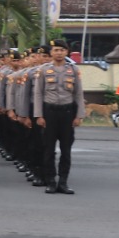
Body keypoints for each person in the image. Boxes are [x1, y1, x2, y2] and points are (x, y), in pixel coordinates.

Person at [32, 39, 86, 194]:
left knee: (66, 150)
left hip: (67, 113)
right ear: (51, 52)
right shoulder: (43, 70)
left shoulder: (73, 70)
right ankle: (50, 181)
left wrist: (79, 115)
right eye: (56, 50)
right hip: (49, 113)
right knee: (48, 149)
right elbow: (38, 93)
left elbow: (78, 93)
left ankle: (63, 182)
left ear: (66, 52)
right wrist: (39, 115)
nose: (59, 53)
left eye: (62, 50)